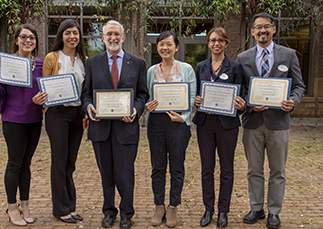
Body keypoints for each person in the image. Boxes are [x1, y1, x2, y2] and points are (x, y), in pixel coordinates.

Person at [237, 12, 305, 229]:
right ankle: (256, 208)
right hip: (253, 123)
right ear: (252, 31)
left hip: (278, 123)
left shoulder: (289, 55)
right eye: (258, 27)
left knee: (278, 171)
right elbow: (241, 90)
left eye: (267, 27)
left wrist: (293, 102)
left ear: (274, 29)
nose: (262, 31)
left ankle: (274, 212)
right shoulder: (243, 58)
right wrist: (248, 104)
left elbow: (299, 86)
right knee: (253, 169)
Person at [81, 20, 149, 229]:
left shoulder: (137, 63)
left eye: (116, 34)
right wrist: (89, 107)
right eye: (109, 34)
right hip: (100, 129)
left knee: (125, 174)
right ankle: (109, 211)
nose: (113, 38)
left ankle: (127, 213)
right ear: (103, 38)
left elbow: (142, 94)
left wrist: (137, 110)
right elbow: (85, 94)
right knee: (106, 174)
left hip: (126, 129)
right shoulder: (92, 62)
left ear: (123, 37)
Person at [0, 24, 47, 226]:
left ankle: (25, 204)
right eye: (23, 37)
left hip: (34, 120)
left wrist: (43, 99)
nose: (28, 40)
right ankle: (12, 207)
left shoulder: (40, 64)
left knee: (26, 164)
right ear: (16, 40)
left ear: (36, 41)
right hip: (13, 121)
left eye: (31, 37)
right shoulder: (6, 62)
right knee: (14, 163)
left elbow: (46, 90)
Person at [192, 27, 245, 228]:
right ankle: (208, 209)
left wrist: (241, 105)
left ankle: (223, 211)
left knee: (226, 169)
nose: (217, 44)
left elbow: (241, 96)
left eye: (221, 40)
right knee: (207, 168)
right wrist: (196, 100)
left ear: (226, 43)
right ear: (208, 43)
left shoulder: (235, 67)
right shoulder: (200, 67)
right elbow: (196, 93)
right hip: (205, 123)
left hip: (227, 124)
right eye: (213, 40)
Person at [145, 31, 196, 228]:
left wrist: (183, 118)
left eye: (168, 44)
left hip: (178, 124)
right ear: (157, 48)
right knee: (158, 167)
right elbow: (148, 96)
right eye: (161, 45)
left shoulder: (186, 69)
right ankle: (159, 206)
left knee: (177, 167)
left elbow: (191, 97)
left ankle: (173, 206)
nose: (164, 48)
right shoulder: (151, 71)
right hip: (156, 123)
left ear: (176, 47)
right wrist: (148, 106)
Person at [43, 19, 87, 224]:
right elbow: (45, 87)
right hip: (57, 113)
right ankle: (61, 209)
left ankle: (70, 206)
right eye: (68, 33)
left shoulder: (84, 59)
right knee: (59, 162)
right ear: (61, 35)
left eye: (76, 33)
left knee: (70, 163)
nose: (72, 37)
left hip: (77, 115)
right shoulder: (52, 58)